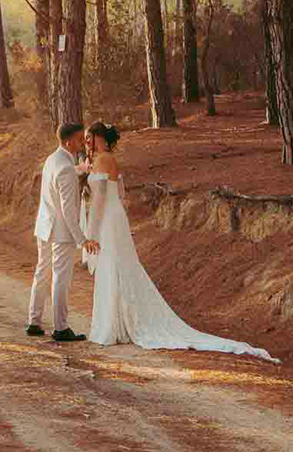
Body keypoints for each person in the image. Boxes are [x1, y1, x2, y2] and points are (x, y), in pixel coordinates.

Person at [82, 121, 278, 362]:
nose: (87, 142)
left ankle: (113, 325)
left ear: (99, 137)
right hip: (115, 216)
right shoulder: (107, 158)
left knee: (113, 265)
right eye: (85, 138)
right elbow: (120, 193)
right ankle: (118, 322)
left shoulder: (101, 159)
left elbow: (100, 199)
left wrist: (90, 232)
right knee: (118, 265)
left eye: (89, 137)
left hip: (107, 218)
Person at [29, 122, 97, 343]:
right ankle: (61, 328)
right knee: (60, 277)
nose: (82, 143)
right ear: (68, 141)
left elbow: (65, 175)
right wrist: (82, 239)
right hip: (61, 231)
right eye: (79, 139)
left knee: (42, 273)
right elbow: (69, 211)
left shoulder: (53, 159)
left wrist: (82, 169)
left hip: (44, 226)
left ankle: (34, 322)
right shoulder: (66, 168)